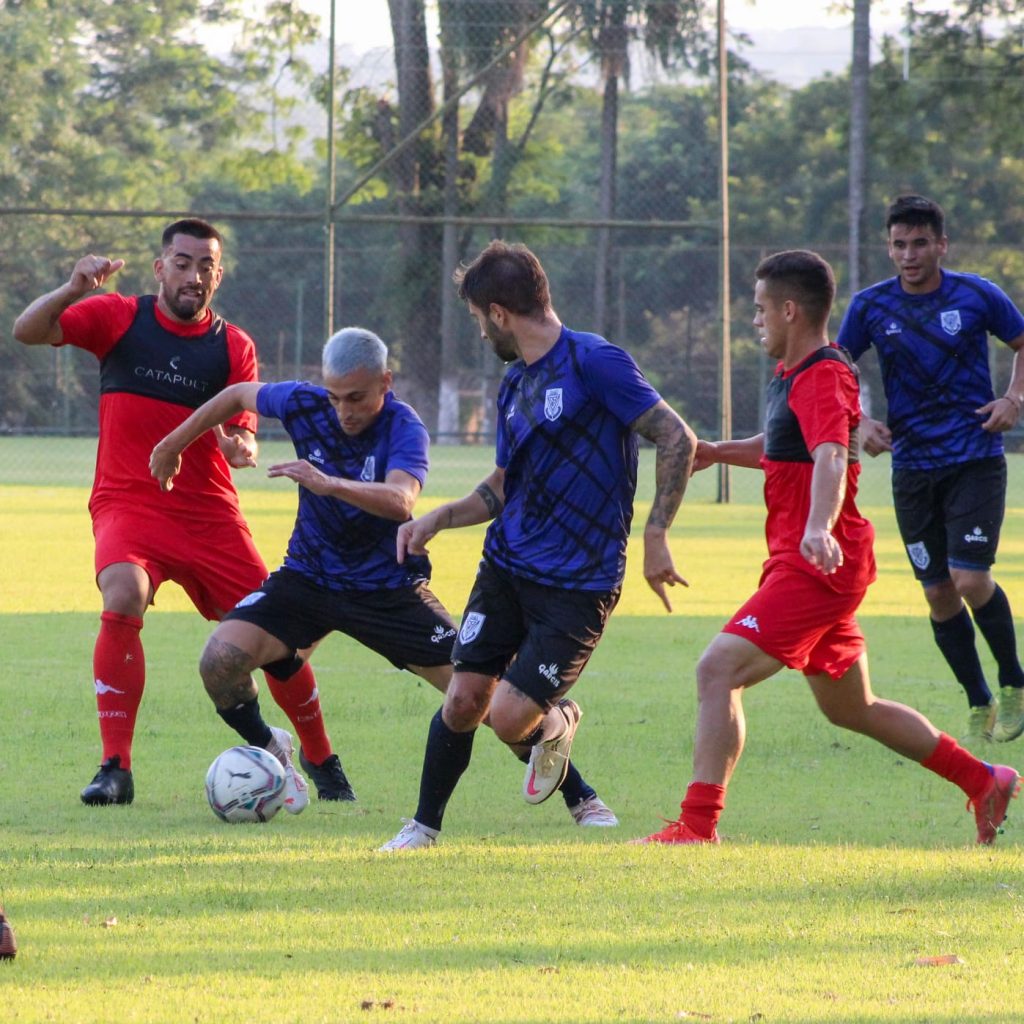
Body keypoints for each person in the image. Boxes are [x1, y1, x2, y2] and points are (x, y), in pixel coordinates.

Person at [149, 326, 618, 828]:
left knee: (478, 701)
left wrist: (329, 484)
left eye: (356, 398)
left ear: (385, 383)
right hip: (309, 578)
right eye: (335, 398)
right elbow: (238, 394)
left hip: (388, 591)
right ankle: (274, 749)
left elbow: (400, 500)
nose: (343, 411)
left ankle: (582, 796)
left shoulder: (404, 426)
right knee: (219, 662)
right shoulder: (304, 403)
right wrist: (173, 445)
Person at [636, 249, 1020, 847]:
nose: (755, 320)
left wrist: (818, 526)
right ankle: (983, 779)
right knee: (851, 708)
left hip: (818, 562)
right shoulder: (796, 374)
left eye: (760, 309)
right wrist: (715, 451)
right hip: (814, 559)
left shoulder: (821, 375)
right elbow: (783, 445)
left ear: (790, 310)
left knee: (717, 670)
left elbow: (831, 455)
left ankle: (697, 825)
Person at [11, 218, 345, 809]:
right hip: (129, 502)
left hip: (208, 515)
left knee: (274, 634)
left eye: (206, 266)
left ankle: (322, 762)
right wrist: (72, 289)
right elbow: (27, 330)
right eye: (183, 263)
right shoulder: (118, 317)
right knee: (122, 592)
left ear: (219, 275)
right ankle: (115, 768)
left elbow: (243, 430)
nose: (195, 276)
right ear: (160, 267)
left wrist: (240, 445)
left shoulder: (233, 345)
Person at [380, 240, 696, 851]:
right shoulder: (513, 385)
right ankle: (421, 829)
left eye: (479, 319)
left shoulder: (594, 361)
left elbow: (677, 437)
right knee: (464, 699)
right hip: (506, 566)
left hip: (579, 582)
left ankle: (559, 718)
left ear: (499, 313)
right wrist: (440, 517)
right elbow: (505, 484)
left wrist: (656, 534)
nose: (480, 333)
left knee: (508, 718)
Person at [837, 195, 1024, 747]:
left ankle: (1014, 682)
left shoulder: (976, 294)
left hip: (974, 457)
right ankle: (979, 699)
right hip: (913, 466)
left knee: (970, 579)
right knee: (939, 593)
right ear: (888, 247)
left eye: (920, 243)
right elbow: (834, 369)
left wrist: (1013, 398)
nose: (909, 255)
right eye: (899, 244)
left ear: (942, 245)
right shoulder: (870, 306)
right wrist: (859, 422)